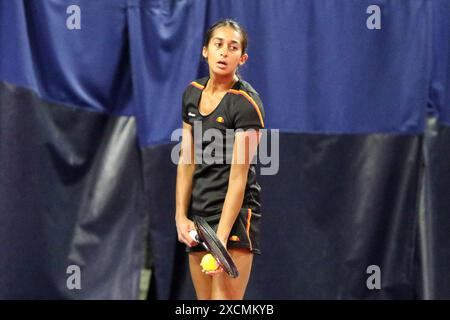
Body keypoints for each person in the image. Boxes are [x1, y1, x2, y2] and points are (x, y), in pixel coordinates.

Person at [175, 19, 265, 300]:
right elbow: (187, 160)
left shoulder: (246, 103)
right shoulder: (192, 93)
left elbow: (239, 178)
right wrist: (181, 216)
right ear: (205, 51)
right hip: (199, 218)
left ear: (243, 58)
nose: (224, 52)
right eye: (218, 44)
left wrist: (220, 239)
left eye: (233, 47)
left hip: (234, 219)